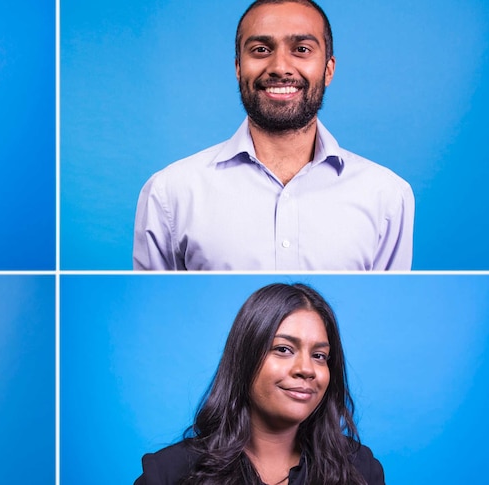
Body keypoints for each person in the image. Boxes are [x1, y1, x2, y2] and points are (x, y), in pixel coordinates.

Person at [133, 0, 414, 271]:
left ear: (328, 69)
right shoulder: (170, 193)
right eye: (261, 50)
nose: (280, 67)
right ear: (238, 68)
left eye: (302, 49)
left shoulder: (387, 196)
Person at [134, 283, 384, 485]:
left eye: (319, 355)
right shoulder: (168, 474)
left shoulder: (360, 469)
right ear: (245, 358)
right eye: (283, 349)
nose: (306, 369)